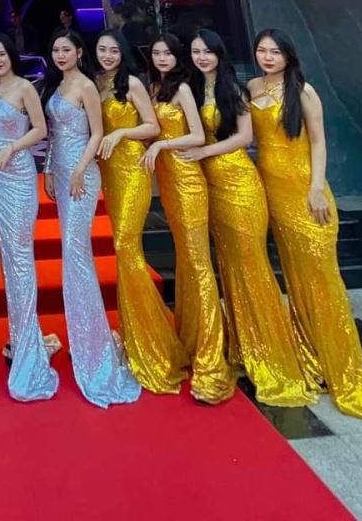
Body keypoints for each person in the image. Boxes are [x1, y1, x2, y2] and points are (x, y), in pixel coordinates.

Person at [249, 29, 362, 419]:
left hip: (305, 192)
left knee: (321, 278)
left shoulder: (304, 91)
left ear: (288, 56)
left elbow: (318, 142)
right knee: (295, 276)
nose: (267, 57)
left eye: (275, 52)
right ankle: (310, 355)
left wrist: (316, 188)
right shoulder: (252, 87)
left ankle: (341, 366)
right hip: (273, 195)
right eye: (262, 51)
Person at [178, 30, 317, 407]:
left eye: (208, 51)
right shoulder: (194, 89)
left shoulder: (234, 90)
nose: (202, 57)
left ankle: (273, 357)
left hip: (239, 184)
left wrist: (204, 153)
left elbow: (243, 138)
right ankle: (243, 348)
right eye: (196, 51)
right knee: (231, 268)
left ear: (220, 53)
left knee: (252, 267)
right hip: (211, 187)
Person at [42, 28, 141, 408]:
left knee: (75, 251)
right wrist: (49, 169)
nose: (60, 55)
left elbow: (97, 133)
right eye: (56, 49)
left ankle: (94, 344)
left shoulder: (86, 85)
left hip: (82, 175)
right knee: (74, 255)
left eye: (66, 49)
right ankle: (85, 335)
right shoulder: (57, 86)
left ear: (79, 52)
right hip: (61, 170)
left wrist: (80, 169)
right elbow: (53, 135)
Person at [141, 34, 235, 404]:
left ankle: (211, 358)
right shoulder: (154, 88)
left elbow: (197, 136)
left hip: (187, 180)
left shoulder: (181, 89)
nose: (162, 58)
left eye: (168, 53)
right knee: (186, 260)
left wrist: (162, 144)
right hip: (168, 183)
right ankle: (191, 339)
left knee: (198, 264)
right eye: (156, 53)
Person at [94, 30, 188, 394]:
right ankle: (135, 332)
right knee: (125, 252)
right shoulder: (97, 83)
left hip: (133, 169)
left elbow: (152, 126)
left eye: (113, 50)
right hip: (109, 173)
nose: (107, 55)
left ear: (123, 53)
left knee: (125, 246)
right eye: (102, 49)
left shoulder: (131, 83)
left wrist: (121, 134)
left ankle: (152, 343)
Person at [0, 33, 58, 402]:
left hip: (20, 174)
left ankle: (28, 344)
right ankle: (19, 334)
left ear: (11, 55)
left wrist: (12, 147)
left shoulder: (25, 87)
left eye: (2, 54)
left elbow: (41, 129)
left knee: (21, 255)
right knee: (6, 256)